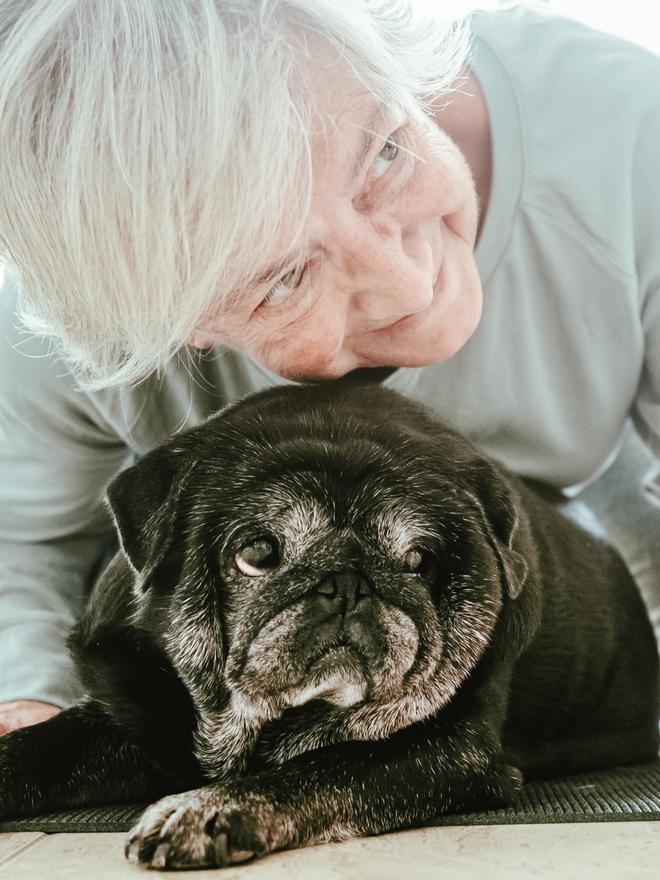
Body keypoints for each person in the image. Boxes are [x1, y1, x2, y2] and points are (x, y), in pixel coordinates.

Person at [0, 0, 658, 736]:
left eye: (384, 153)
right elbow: (23, 542)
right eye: (285, 279)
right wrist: (31, 697)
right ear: (177, 330)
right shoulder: (74, 320)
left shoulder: (633, 133)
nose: (411, 284)